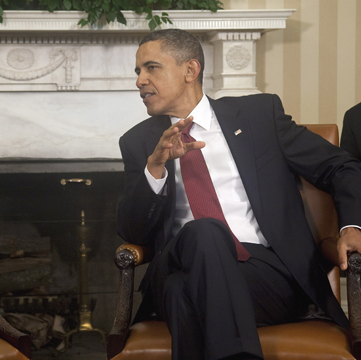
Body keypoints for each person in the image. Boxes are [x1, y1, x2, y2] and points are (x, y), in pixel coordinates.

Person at [117, 28, 361, 360]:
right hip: (175, 263)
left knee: (182, 294)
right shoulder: (140, 143)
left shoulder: (259, 116)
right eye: (138, 72)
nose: (139, 81)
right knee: (204, 232)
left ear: (190, 70)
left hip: (264, 273)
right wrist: (155, 168)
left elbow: (341, 166)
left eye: (151, 68)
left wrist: (352, 227)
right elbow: (133, 231)